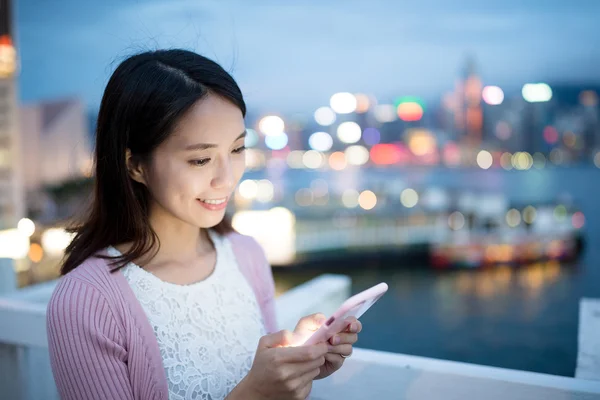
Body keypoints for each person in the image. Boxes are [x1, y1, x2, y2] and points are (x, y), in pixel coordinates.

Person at [46, 49, 362, 400]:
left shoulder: (245, 254)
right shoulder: (87, 301)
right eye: (200, 159)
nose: (226, 179)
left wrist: (298, 366)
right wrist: (254, 394)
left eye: (238, 149)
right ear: (135, 165)